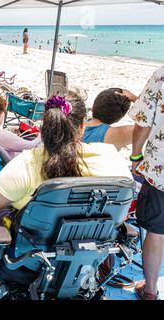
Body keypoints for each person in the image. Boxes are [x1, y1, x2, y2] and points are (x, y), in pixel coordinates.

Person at [0, 90, 133, 250]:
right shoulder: (111, 157)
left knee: (0, 210)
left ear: (46, 125)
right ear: (82, 126)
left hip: (32, 255)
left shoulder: (29, 162)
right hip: (88, 255)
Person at [128, 66, 164, 300]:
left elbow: (142, 121)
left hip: (160, 170)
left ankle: (150, 290)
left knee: (156, 231)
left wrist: (136, 156)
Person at [0, 95, 42, 159]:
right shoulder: (3, 135)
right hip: (12, 164)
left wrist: (10, 130)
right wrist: (41, 135)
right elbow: (31, 146)